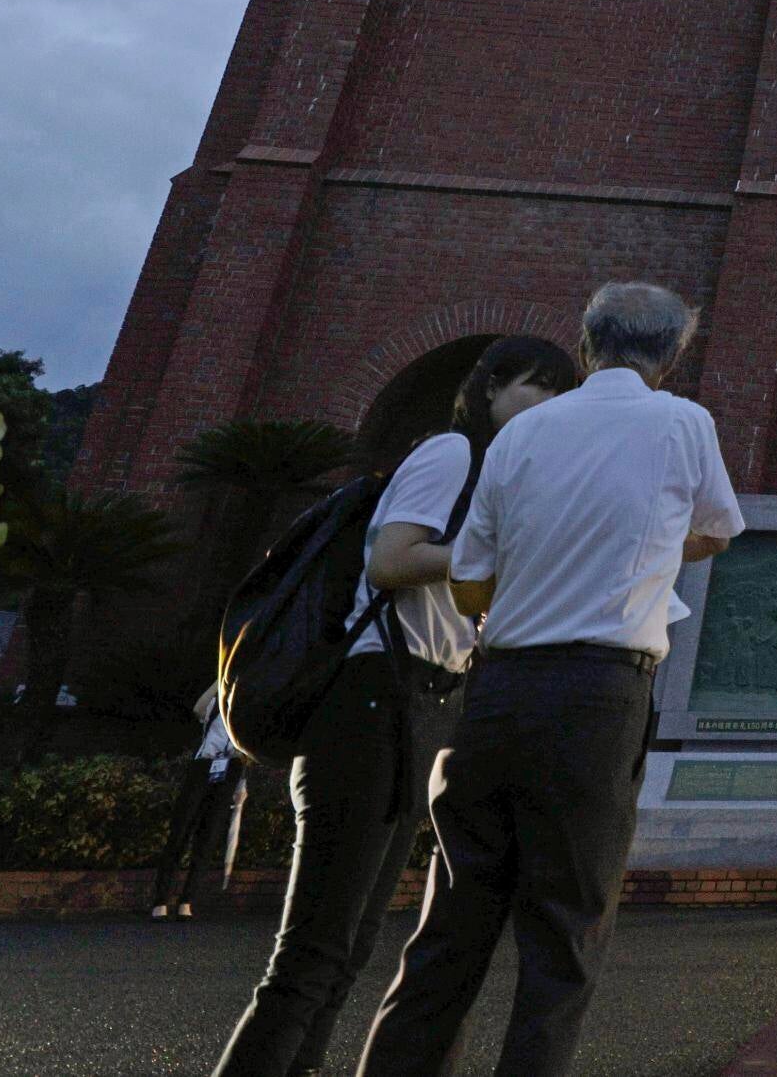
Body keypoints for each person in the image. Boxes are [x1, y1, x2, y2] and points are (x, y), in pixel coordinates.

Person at [352, 283, 741, 1077]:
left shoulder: (522, 435)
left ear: (588, 344)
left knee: (452, 924)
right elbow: (719, 529)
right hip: (598, 693)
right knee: (564, 935)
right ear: (671, 356)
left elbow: (472, 575)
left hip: (494, 692)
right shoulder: (681, 422)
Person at [213, 335, 577, 1077]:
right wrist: (496, 554)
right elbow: (391, 559)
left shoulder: (498, 480)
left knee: (349, 949)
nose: (549, 407)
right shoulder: (450, 453)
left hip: (425, 706)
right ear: (490, 388)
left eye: (560, 395)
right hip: (371, 697)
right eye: (537, 388)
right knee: (311, 952)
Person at [151, 685, 248, 919]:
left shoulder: (248, 712)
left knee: (209, 835)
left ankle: (187, 901)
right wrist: (220, 677)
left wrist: (242, 783)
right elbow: (198, 708)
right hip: (204, 765)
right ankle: (160, 900)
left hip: (230, 769)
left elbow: (249, 750)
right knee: (181, 830)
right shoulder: (216, 703)